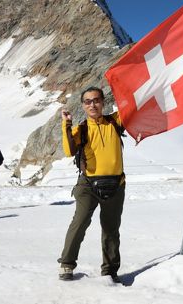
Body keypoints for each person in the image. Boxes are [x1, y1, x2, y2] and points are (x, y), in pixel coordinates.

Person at [58, 87, 125, 282]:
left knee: (111, 228)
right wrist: (66, 124)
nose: (92, 104)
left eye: (96, 100)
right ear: (83, 105)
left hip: (116, 184)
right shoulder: (82, 129)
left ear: (103, 102)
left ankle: (110, 270)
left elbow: (133, 105)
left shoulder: (114, 121)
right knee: (80, 223)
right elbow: (69, 150)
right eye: (87, 101)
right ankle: (67, 264)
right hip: (88, 185)